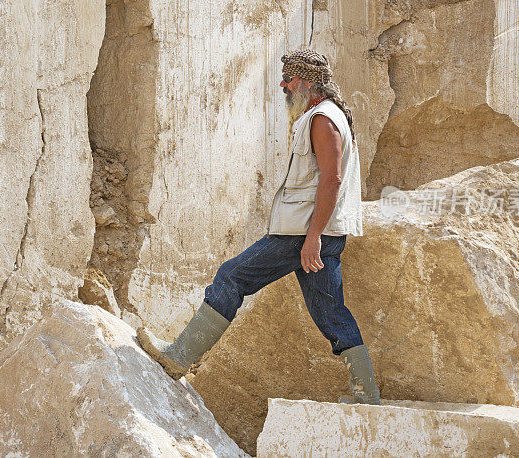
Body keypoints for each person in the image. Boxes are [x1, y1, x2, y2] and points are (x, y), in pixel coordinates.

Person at [136, 49, 380, 405]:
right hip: (318, 234)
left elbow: (332, 180)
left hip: (302, 234)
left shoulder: (322, 120)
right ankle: (367, 393)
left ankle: (179, 356)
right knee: (330, 312)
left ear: (309, 83)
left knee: (232, 276)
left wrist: (311, 238)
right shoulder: (325, 115)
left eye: (290, 79)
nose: (283, 84)